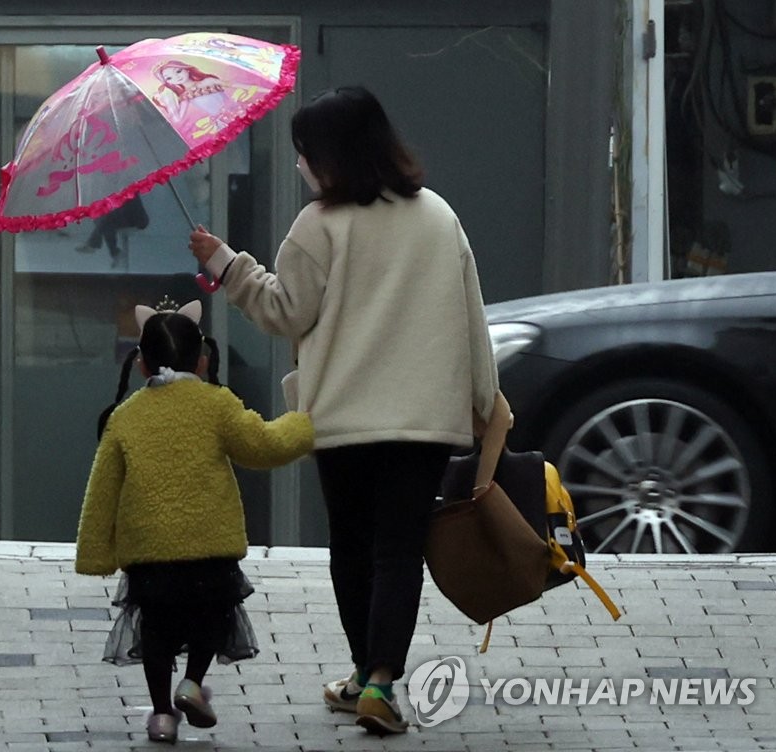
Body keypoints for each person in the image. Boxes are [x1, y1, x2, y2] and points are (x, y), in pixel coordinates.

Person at [188, 85, 499, 736]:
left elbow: (283, 312)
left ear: (328, 157)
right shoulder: (439, 218)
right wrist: (481, 401)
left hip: (344, 422)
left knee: (353, 550)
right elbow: (473, 319)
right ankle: (379, 683)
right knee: (399, 553)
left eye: (305, 154)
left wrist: (224, 264)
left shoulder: (318, 227)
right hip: (423, 422)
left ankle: (366, 677)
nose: (303, 166)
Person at [75, 299, 313, 744]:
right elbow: (261, 445)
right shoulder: (216, 404)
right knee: (212, 619)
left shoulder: (125, 417)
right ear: (202, 359)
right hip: (210, 544)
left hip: (149, 552)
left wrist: (95, 552)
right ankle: (193, 682)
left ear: (142, 364)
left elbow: (101, 489)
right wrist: (303, 425)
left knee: (157, 633)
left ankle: (162, 715)